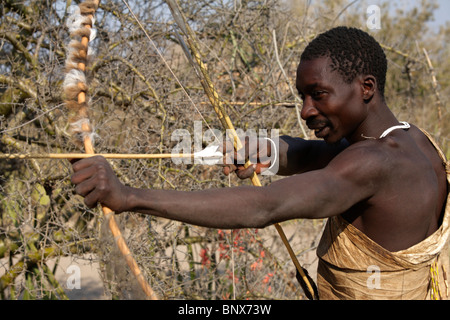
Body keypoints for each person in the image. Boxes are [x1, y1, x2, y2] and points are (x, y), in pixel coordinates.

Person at [71, 27, 449, 300]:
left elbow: (266, 206)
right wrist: (263, 150)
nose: (306, 110)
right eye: (302, 96)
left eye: (318, 95)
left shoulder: (374, 162)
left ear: (366, 88)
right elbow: (311, 154)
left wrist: (129, 196)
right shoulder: (413, 141)